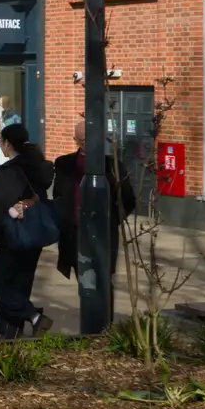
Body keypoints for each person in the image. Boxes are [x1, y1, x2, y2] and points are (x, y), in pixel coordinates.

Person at [0, 122, 56, 339]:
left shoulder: (9, 171)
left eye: (1, 141)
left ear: (9, 143)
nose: (0, 145)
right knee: (20, 283)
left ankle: (33, 317)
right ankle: (7, 328)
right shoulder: (37, 165)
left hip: (14, 234)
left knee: (0, 283)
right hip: (34, 233)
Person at [52, 120, 137, 292]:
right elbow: (58, 196)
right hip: (75, 235)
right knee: (84, 283)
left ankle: (105, 319)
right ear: (75, 140)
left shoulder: (113, 166)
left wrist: (111, 221)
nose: (87, 144)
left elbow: (128, 200)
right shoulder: (64, 164)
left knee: (103, 284)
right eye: (83, 141)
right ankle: (89, 317)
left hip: (102, 234)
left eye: (90, 139)